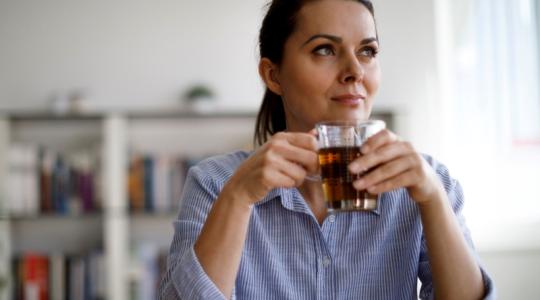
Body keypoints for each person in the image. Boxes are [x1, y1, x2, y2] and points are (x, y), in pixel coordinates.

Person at [159, 0, 495, 299]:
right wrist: (237, 198)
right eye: (325, 49)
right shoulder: (215, 184)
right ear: (273, 75)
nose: (355, 71)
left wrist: (433, 199)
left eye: (368, 51)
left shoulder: (428, 184)